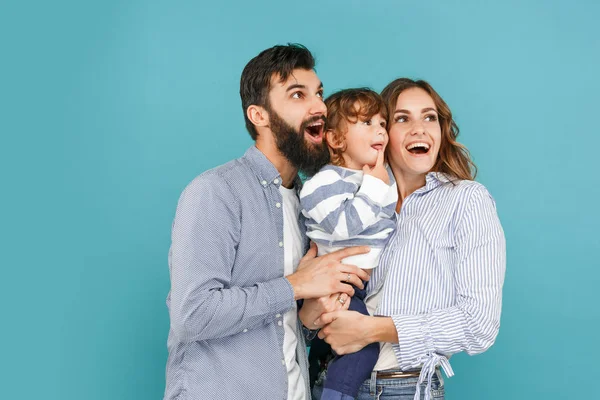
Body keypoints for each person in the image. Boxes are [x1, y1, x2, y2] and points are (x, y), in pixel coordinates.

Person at [164, 44, 370, 400]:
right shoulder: (215, 192)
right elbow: (192, 315)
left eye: (318, 93)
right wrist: (295, 286)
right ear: (259, 116)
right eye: (297, 94)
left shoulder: (310, 205)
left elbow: (284, 327)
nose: (320, 106)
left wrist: (311, 314)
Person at [303, 78, 506, 400]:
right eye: (402, 118)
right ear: (380, 135)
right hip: (326, 381)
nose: (419, 129)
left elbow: (478, 324)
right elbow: (308, 312)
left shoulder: (466, 201)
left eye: (430, 117)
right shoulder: (342, 195)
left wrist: (372, 330)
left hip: (405, 388)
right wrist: (311, 314)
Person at [299, 88, 398, 400]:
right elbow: (343, 226)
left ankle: (319, 374)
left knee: (337, 345)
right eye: (366, 123)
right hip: (337, 285)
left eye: (382, 123)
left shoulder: (379, 177)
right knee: (363, 348)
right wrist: (375, 185)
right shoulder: (322, 183)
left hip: (364, 286)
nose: (379, 130)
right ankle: (335, 394)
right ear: (336, 140)